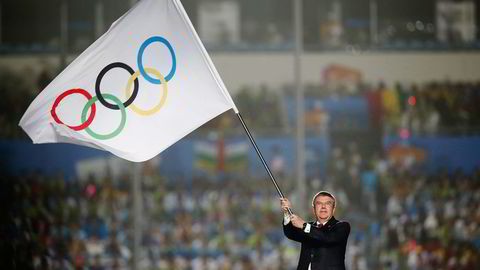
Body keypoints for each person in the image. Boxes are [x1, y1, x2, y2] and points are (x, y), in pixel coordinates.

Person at [280, 191, 350, 270]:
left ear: (333, 209)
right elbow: (290, 233)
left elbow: (327, 237)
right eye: (319, 203)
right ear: (313, 209)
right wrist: (287, 213)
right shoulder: (308, 227)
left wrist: (304, 225)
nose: (323, 207)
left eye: (328, 203)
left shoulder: (342, 226)